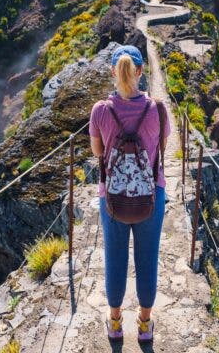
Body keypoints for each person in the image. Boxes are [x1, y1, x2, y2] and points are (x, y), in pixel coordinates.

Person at [89, 44, 168, 343]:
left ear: (113, 71)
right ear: (140, 71)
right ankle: (145, 325)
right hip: (151, 196)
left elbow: (98, 152)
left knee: (115, 258)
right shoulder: (157, 109)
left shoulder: (100, 111)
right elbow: (162, 147)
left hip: (112, 198)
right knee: (148, 259)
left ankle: (115, 322)